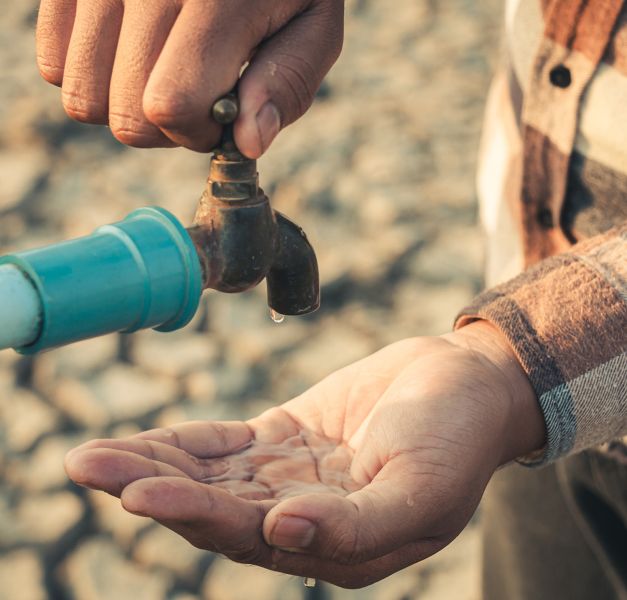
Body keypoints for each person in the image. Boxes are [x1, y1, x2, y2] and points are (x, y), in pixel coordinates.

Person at [37, 0, 626, 596]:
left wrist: (511, 366)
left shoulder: (506, 379)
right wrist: (507, 365)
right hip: (544, 403)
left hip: (534, 367)